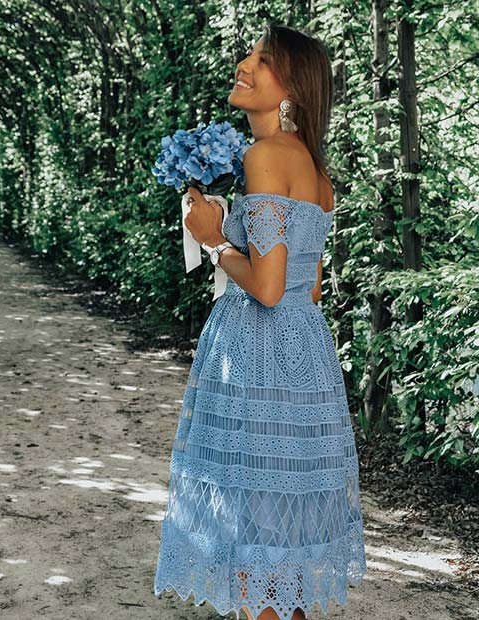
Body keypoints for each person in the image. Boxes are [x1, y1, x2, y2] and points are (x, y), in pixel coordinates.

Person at [153, 23, 367, 620]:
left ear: (292, 89)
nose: (246, 64)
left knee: (248, 549)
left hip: (257, 350)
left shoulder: (266, 155)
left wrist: (216, 240)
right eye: (251, 54)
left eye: (264, 60)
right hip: (304, 357)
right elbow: (310, 286)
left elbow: (269, 290)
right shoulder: (313, 170)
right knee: (279, 550)